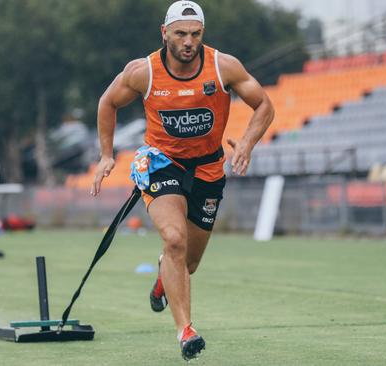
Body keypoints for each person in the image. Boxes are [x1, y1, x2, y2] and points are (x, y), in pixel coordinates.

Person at [90, 0, 274, 360]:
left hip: (208, 168)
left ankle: (164, 277)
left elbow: (264, 104)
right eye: (180, 34)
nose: (188, 41)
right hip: (161, 163)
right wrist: (107, 154)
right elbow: (107, 102)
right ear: (165, 33)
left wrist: (248, 142)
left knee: (188, 262)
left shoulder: (223, 67)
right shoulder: (143, 72)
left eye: (195, 34)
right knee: (174, 240)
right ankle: (185, 331)